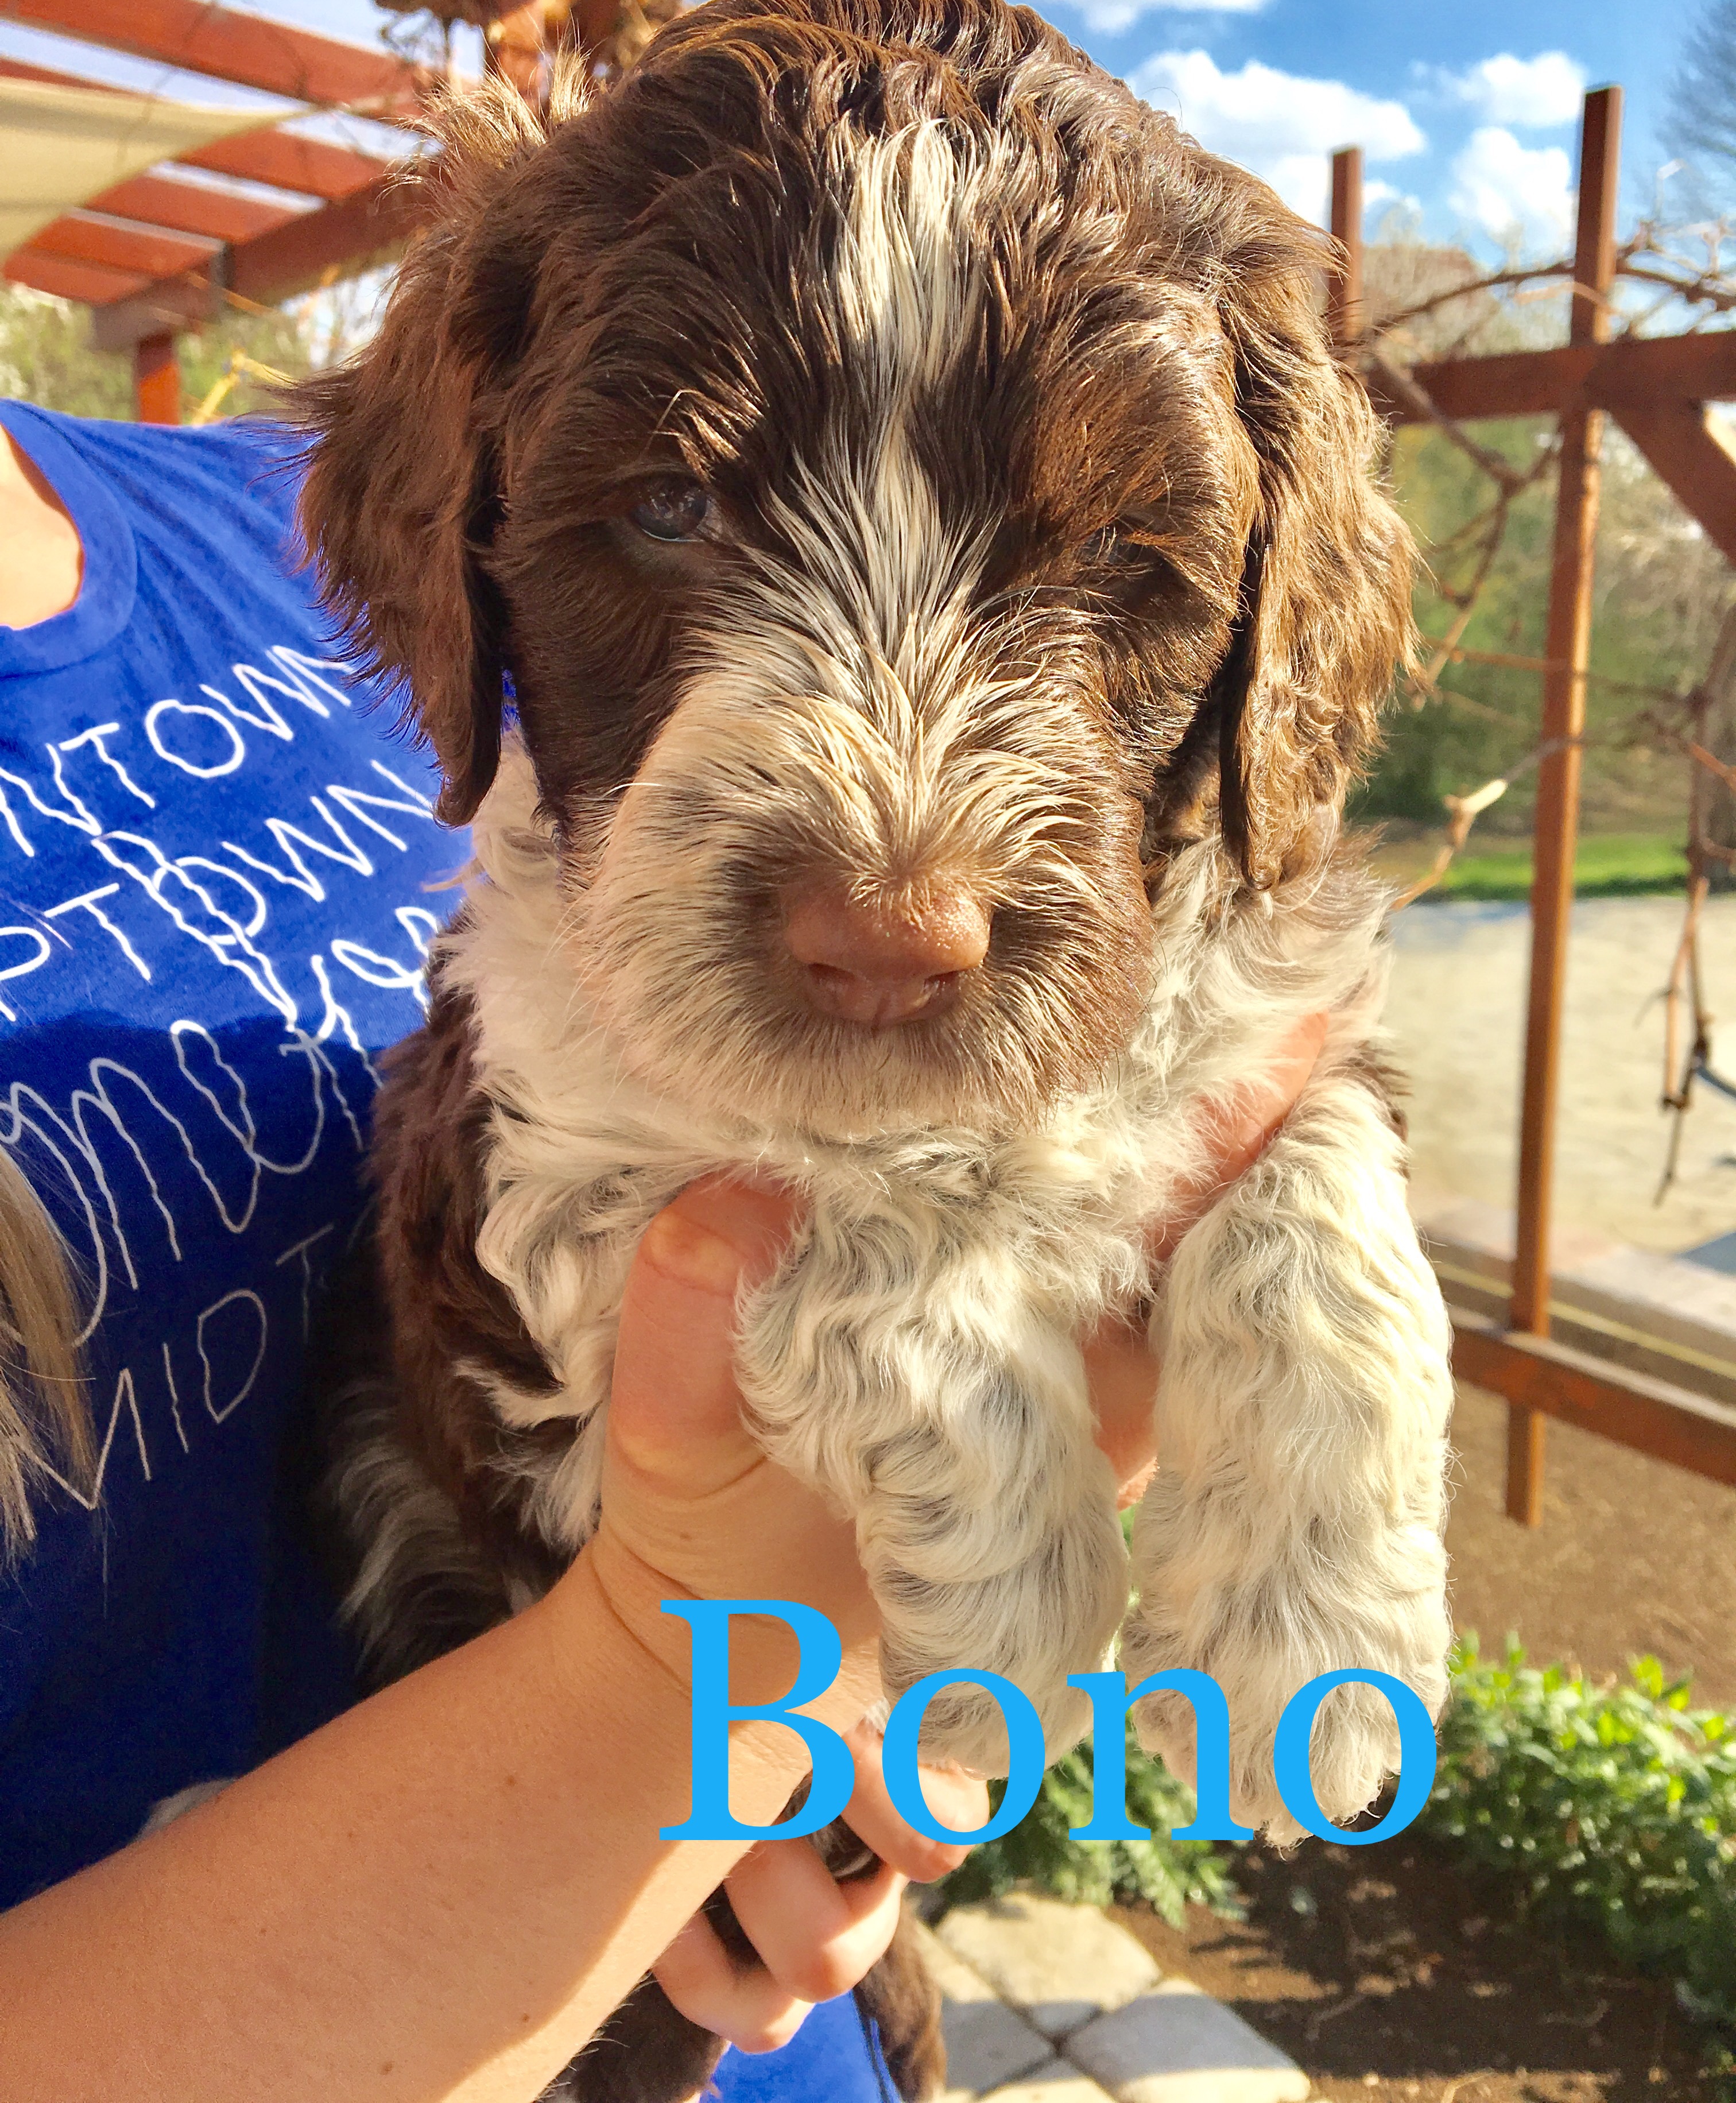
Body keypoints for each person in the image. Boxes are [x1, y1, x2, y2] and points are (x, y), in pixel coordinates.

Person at [0, 398, 1322, 2101]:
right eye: (678, 507)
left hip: (776, 2021)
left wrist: (826, 1727)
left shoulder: (267, 511)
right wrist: (688, 1682)